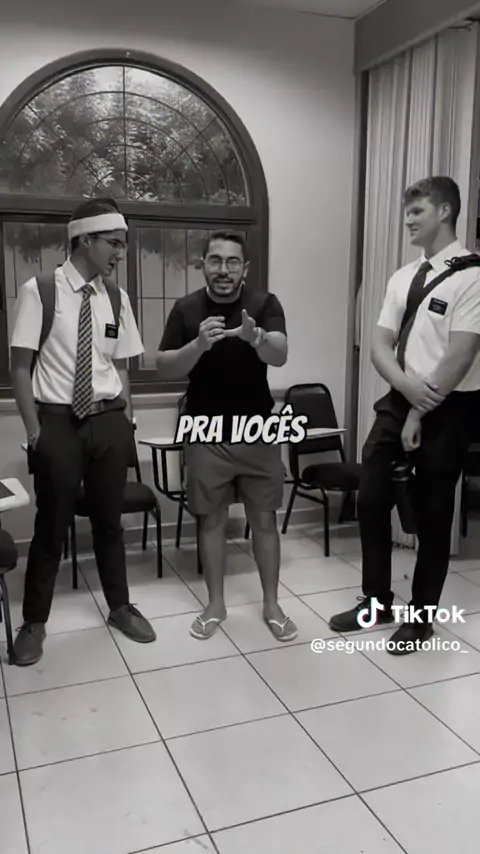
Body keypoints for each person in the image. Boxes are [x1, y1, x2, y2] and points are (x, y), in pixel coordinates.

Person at [329, 176, 480, 654]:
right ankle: (377, 601)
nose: (408, 220)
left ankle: (421, 618)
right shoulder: (402, 277)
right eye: (407, 211)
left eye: (418, 211)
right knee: (372, 499)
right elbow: (379, 344)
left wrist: (420, 406)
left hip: (448, 408)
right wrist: (406, 390)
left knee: (433, 515)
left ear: (445, 212)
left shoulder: (472, 276)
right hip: (400, 399)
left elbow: (461, 354)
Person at [10, 197, 156, 666]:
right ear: (85, 239)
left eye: (122, 244)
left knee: (110, 521)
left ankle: (120, 607)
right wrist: (35, 432)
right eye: (114, 243)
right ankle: (34, 623)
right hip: (58, 424)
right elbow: (19, 367)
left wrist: (126, 421)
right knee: (51, 527)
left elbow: (121, 365)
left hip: (109, 423)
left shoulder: (116, 297)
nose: (120, 253)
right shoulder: (41, 291)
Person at [156, 230, 298, 642]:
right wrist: (198, 345)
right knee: (212, 520)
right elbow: (164, 367)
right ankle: (215, 604)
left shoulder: (264, 304)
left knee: (264, 521)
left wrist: (257, 339)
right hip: (205, 433)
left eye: (232, 262)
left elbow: (280, 354)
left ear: (244, 268)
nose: (224, 269)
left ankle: (272, 604)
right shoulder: (186, 309)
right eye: (215, 260)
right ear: (203, 264)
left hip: (258, 432)